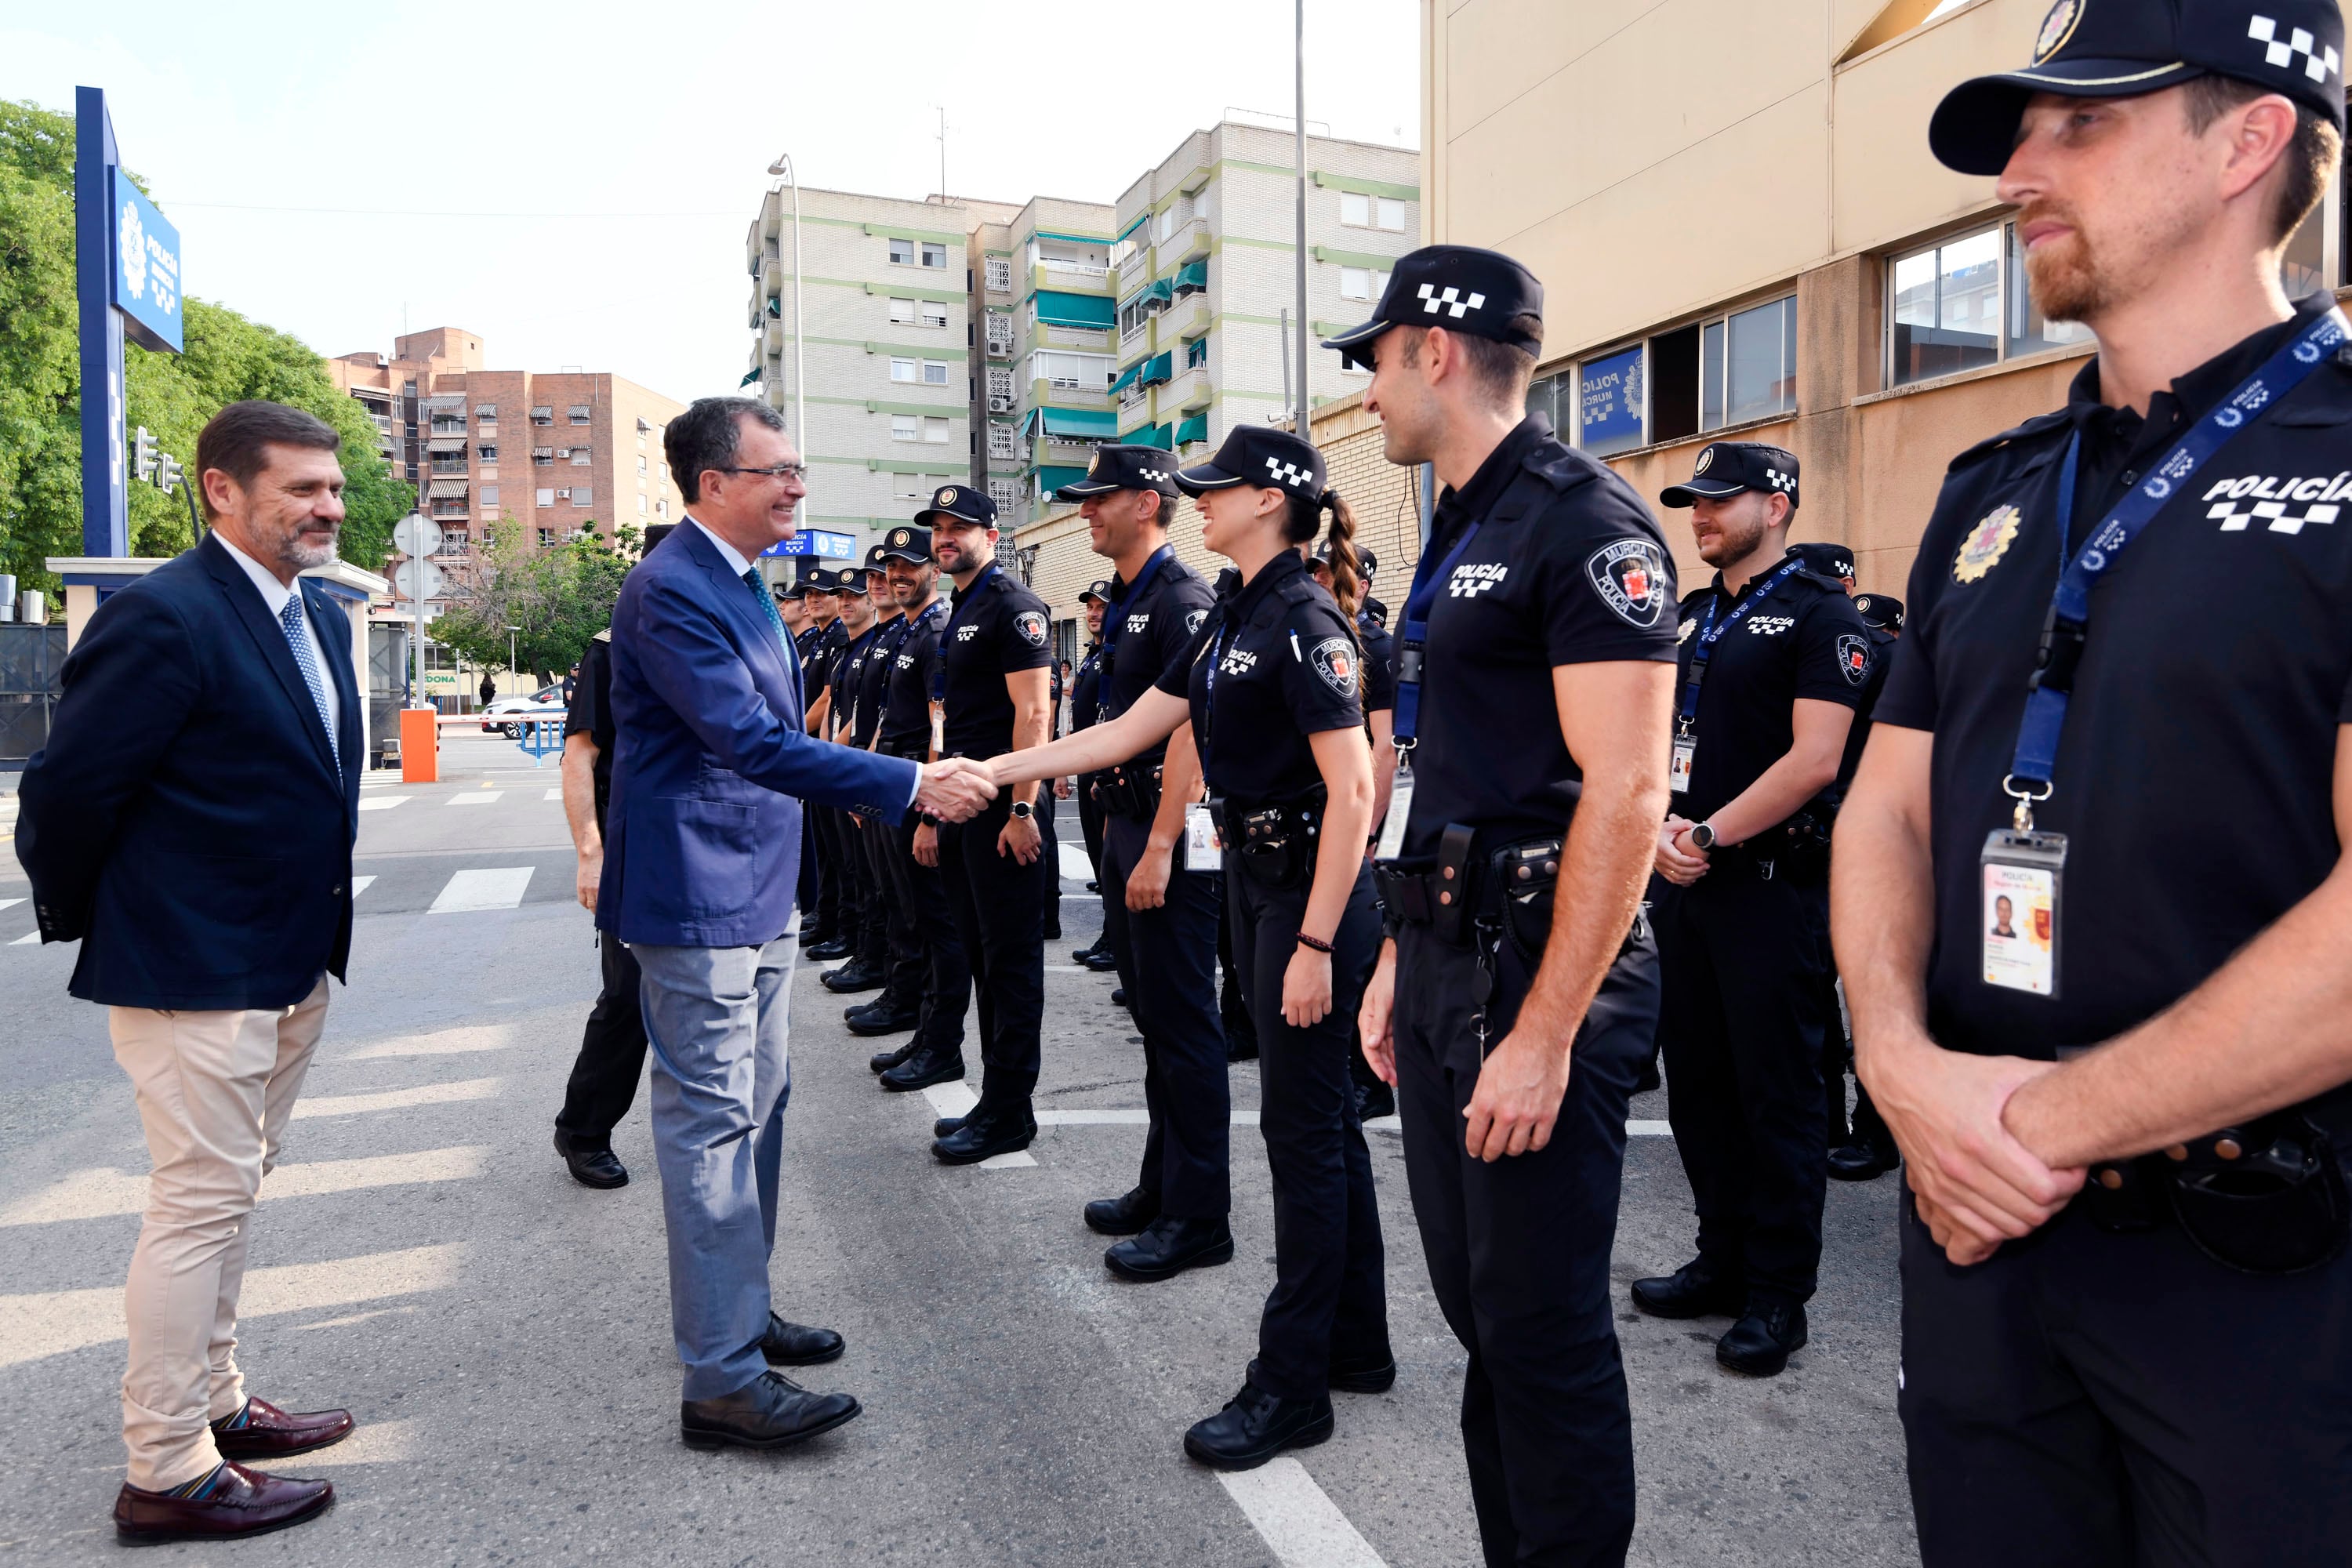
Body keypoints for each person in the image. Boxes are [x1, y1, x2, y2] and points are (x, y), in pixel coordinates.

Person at [1838, 3, 2352, 1558]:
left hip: (2266, 1278)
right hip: (1978, 1239)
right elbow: (1890, 804)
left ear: (2248, 138)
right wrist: (1900, 1065)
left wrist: (2042, 1123)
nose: (2016, 172)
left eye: (2081, 123)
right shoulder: (1996, 487)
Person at [1334, 247, 1676, 1567]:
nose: (1365, 390)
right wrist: (1394, 952)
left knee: (1541, 1329)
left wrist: (1544, 1034)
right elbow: (1444, 764)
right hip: (1440, 954)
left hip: (1540, 971)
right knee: (1485, 1315)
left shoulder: (1580, 518)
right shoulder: (1461, 524)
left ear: (1432, 348)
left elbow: (1631, 787)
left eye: (1373, 357)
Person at [990, 426, 1392, 1468]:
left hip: (1309, 897)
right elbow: (1124, 733)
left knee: (1303, 1142)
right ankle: (1356, 1344)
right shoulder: (1232, 615)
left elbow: (1355, 791)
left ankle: (1293, 1385)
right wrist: (995, 771)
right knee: (1325, 1130)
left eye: (1218, 488)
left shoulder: (1303, 620)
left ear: (1271, 500)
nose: (1199, 501)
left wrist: (1312, 943)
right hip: (1263, 887)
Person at [599, 396, 993, 1452]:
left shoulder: (740, 586)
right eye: (778, 471)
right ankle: (721, 1380)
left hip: (757, 885)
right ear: (715, 483)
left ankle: (742, 1311)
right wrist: (911, 784)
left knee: (760, 1109)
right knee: (715, 1125)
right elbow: (748, 740)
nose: (798, 488)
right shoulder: (675, 588)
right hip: (699, 894)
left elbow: (781, 731)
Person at [17, 401, 368, 1543]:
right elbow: (66, 797)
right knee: (198, 1206)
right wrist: (112, 919)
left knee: (229, 1201)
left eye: (332, 488)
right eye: (302, 490)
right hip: (192, 966)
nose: (328, 507)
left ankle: (217, 1407)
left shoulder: (307, 610)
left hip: (285, 960)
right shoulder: (165, 617)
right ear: (222, 490)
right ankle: (166, 1469)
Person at [1637, 441, 1875, 1377]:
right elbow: (1661, 735)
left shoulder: (1823, 614)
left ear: (1776, 505)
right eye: (1692, 502)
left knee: (1778, 1097)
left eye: (1716, 501)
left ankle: (1780, 1294)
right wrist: (1659, 822)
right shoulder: (1698, 617)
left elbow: (1817, 757)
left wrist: (1707, 835)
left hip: (1771, 887)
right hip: (1687, 882)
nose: (1698, 516)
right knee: (1697, 1083)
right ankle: (1722, 1257)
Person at [1062, 445, 1232, 1279]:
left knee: (1186, 1025)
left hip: (1169, 832)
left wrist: (1161, 845)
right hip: (1125, 821)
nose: (1087, 512)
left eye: (1100, 499)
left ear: (1147, 502)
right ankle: (1163, 1184)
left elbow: (1191, 731)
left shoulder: (1182, 597)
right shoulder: (1129, 599)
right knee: (1157, 1022)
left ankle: (1200, 1214)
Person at [917, 487, 1056, 1163]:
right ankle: (996, 1099)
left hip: (1005, 810)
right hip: (965, 807)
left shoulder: (1015, 608)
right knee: (979, 957)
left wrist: (1025, 808)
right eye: (939, 529)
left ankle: (1011, 1111)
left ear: (992, 535)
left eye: (959, 528)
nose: (946, 538)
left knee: (1010, 965)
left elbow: (1034, 717)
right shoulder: (961, 609)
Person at [551, 520, 678, 1190]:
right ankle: (583, 1129)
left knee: (699, 1001)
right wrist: (590, 853)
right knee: (629, 997)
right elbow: (580, 756)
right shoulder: (610, 650)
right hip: (631, 848)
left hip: (695, 845)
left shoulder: (709, 643)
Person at [858, 526, 975, 1080]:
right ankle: (925, 1031)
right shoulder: (907, 630)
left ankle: (942, 1047)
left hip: (920, 788)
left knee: (938, 926)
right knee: (911, 915)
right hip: (897, 782)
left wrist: (929, 813)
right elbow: (888, 719)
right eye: (892, 567)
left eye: (910, 565)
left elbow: (939, 726)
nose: (899, 575)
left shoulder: (935, 630)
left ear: (933, 568)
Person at [1314, 539, 1399, 1120]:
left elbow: (1386, 746)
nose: (1319, 581)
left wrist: (1368, 831)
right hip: (1327, 810)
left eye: (1329, 573)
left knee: (1362, 952)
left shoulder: (1378, 647)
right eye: (1315, 571)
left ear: (1361, 584)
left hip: (1366, 815)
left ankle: (1372, 1082)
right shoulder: (1319, 633)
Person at [1827, 588, 1906, 1184]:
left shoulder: (1884, 658)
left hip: (1883, 841)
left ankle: (1874, 1133)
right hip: (1847, 831)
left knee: (1873, 991)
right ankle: (1845, 1124)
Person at [1068, 582, 1121, 969]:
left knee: (1112, 860)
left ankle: (1119, 939)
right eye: (1089, 608)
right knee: (1098, 859)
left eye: (1101, 607)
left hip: (1106, 769)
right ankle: (1110, 932)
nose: (1093, 613)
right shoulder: (1092, 655)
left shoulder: (1117, 653)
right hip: (1086, 767)